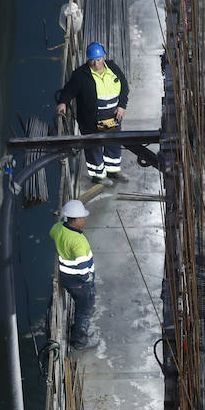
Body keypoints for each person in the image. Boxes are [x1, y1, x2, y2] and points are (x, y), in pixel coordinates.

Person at [55, 41, 130, 182]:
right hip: (91, 120)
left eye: (98, 59)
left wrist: (122, 106)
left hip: (112, 117)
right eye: (92, 60)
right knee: (93, 147)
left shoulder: (113, 68)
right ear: (88, 60)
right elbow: (68, 90)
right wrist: (63, 102)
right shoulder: (80, 75)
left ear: (104, 57)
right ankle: (98, 176)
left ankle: (113, 171)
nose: (96, 63)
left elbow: (124, 86)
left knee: (113, 143)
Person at [50, 199, 98, 350]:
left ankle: (80, 321)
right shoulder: (78, 242)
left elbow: (52, 234)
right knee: (84, 310)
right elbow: (83, 268)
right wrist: (88, 279)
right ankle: (81, 341)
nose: (85, 219)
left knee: (82, 305)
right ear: (76, 220)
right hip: (80, 282)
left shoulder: (58, 228)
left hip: (67, 278)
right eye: (83, 217)